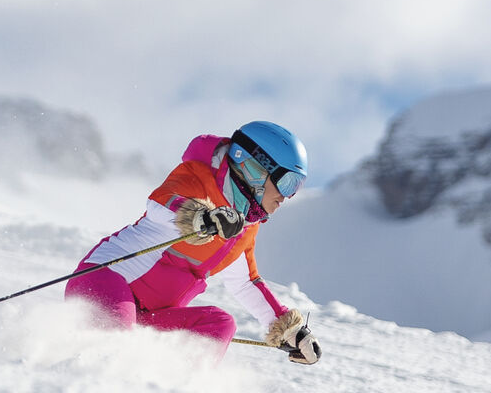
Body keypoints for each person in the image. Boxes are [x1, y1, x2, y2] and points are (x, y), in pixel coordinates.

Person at [67, 121, 321, 363]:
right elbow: (160, 204)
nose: (287, 196)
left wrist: (290, 330)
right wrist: (200, 216)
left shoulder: (243, 229)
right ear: (255, 167)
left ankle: (175, 390)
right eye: (287, 183)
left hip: (148, 316)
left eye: (296, 186)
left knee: (219, 325)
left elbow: (245, 283)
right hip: (105, 280)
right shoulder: (198, 178)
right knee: (113, 351)